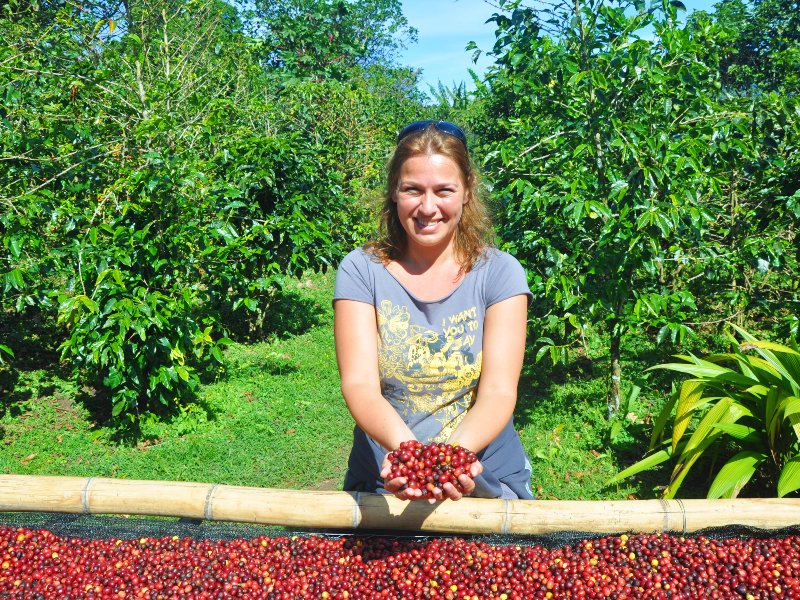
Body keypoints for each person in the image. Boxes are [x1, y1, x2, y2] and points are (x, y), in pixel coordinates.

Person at [333, 120, 534, 502]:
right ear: (395, 191)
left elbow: (498, 389)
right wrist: (409, 454)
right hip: (385, 473)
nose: (428, 207)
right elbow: (360, 383)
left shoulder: (500, 272)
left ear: (467, 192)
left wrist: (449, 460)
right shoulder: (361, 270)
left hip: (483, 473)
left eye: (444, 190)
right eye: (413, 190)